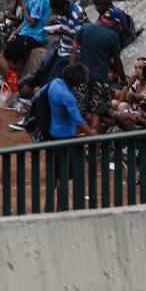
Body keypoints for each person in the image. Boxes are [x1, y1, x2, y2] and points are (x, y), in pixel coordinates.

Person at [46, 63, 95, 211]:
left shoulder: (54, 83)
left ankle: (47, 207)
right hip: (65, 138)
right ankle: (61, 209)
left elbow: (40, 94)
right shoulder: (67, 96)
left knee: (53, 176)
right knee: (64, 177)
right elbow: (78, 119)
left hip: (52, 134)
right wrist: (92, 134)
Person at [69, 9, 127, 134]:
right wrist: (123, 79)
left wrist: (71, 73)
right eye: (116, 26)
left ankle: (73, 148)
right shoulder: (112, 36)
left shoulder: (84, 29)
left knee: (79, 114)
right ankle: (96, 150)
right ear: (113, 23)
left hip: (81, 78)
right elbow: (118, 61)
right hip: (100, 79)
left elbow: (73, 51)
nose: (116, 28)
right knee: (96, 115)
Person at [0, 0, 51, 79]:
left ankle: (12, 86)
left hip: (34, 37)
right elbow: (25, 22)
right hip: (25, 34)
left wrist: (23, 4)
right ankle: (2, 84)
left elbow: (32, 23)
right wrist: (14, 33)